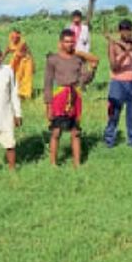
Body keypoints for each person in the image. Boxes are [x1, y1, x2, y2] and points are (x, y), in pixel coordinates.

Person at [44, 29, 95, 167]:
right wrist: (48, 105)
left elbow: (84, 79)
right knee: (56, 131)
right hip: (59, 97)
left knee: (75, 132)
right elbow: (48, 83)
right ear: (61, 43)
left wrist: (93, 70)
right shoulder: (53, 59)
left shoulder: (79, 59)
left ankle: (77, 164)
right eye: (66, 42)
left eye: (72, 42)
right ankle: (53, 164)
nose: (69, 44)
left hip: (75, 96)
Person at [103, 20, 132, 148]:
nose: (127, 33)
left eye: (129, 30)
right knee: (113, 113)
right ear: (120, 31)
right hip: (117, 83)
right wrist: (126, 53)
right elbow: (114, 67)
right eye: (124, 30)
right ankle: (109, 140)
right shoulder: (113, 45)